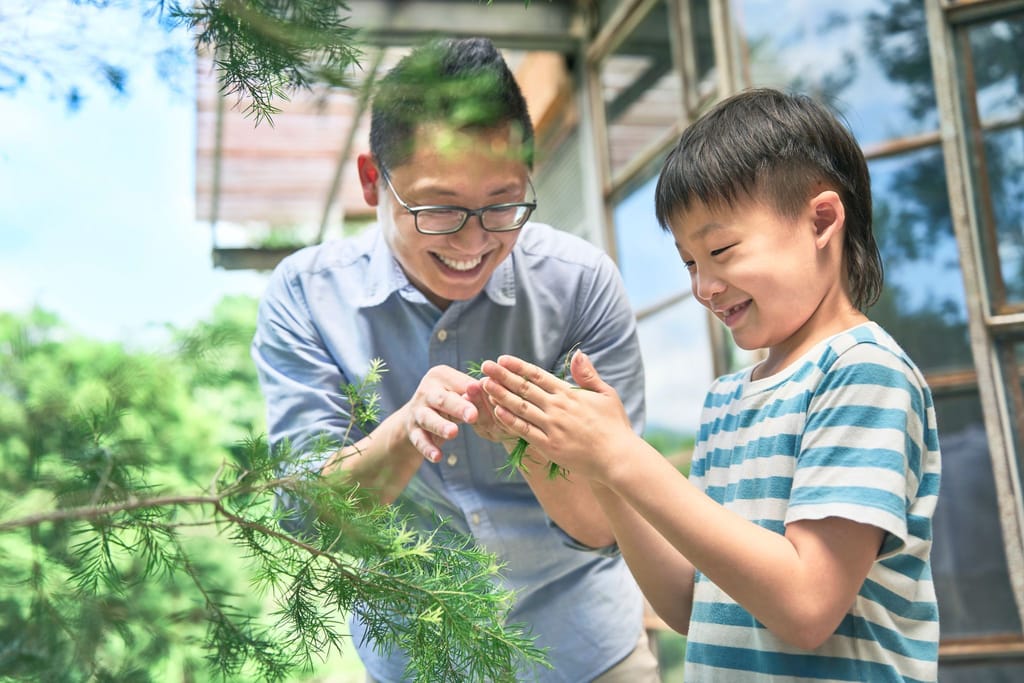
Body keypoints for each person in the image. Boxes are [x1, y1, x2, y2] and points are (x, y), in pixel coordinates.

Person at [478, 88, 942, 681]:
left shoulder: (861, 371)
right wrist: (599, 470)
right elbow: (690, 606)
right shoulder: (728, 399)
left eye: (721, 249)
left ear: (821, 220)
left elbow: (805, 607)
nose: (704, 286)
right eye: (690, 263)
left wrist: (624, 457)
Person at [251, 37, 659, 682]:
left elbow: (609, 523)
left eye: (503, 204)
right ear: (370, 181)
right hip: (418, 662)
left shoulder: (580, 283)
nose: (473, 241)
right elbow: (308, 517)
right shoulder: (304, 296)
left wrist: (532, 437)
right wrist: (406, 430)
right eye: (438, 209)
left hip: (588, 650)